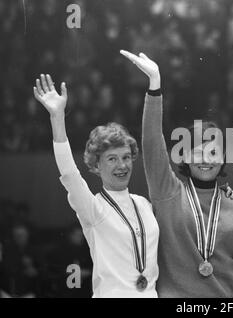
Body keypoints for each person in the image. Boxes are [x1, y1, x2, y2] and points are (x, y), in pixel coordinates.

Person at [120, 50, 233, 298]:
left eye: (213, 153)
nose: (205, 160)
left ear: (222, 159)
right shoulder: (167, 192)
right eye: (197, 152)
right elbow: (151, 143)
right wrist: (155, 86)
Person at [33, 74, 159, 298]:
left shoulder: (144, 204)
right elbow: (70, 174)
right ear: (96, 165)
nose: (122, 165)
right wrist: (57, 118)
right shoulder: (93, 208)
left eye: (126, 157)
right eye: (112, 159)